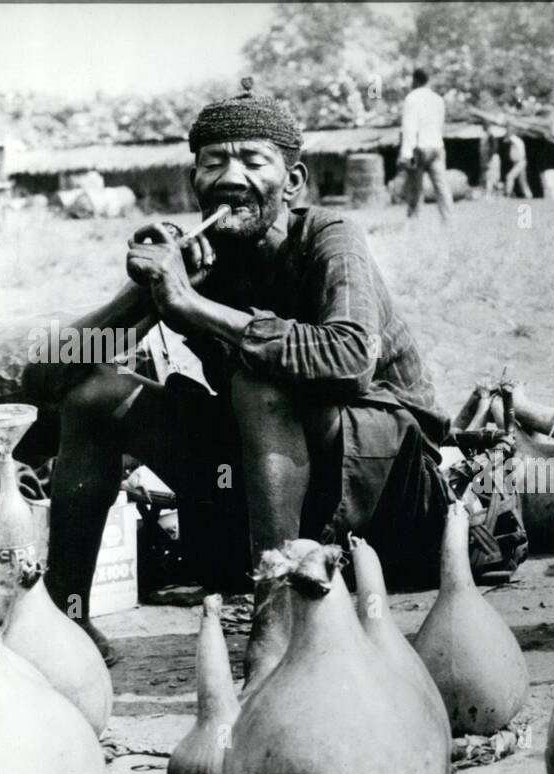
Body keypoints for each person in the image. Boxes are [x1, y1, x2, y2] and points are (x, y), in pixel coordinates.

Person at [29, 82, 450, 662]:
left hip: (387, 495)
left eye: (254, 161)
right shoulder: (200, 261)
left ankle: (274, 628)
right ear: (193, 183)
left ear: (293, 182)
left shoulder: (330, 237)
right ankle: (63, 619)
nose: (231, 177)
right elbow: (46, 382)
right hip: (261, 488)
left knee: (260, 381)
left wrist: (195, 309)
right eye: (213, 164)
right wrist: (148, 295)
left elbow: (351, 359)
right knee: (97, 395)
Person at [399, 68, 453, 221]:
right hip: (437, 146)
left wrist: (406, 153)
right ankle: (448, 220)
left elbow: (409, 127)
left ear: (415, 80)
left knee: (415, 186)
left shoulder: (412, 98)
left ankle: (413, 220)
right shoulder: (437, 99)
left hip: (420, 147)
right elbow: (440, 124)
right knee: (441, 186)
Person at [503, 131, 531, 199]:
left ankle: (508, 194)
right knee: (522, 181)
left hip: (519, 162)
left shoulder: (517, 141)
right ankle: (528, 195)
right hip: (520, 162)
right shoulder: (517, 141)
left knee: (510, 177)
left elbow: (506, 140)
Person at [479, 119, 502, 196]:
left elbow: (494, 147)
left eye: (484, 125)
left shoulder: (491, 135)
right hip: (486, 158)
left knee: (491, 176)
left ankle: (490, 193)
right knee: (487, 176)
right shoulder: (484, 135)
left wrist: (490, 157)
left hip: (491, 158)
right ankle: (490, 192)